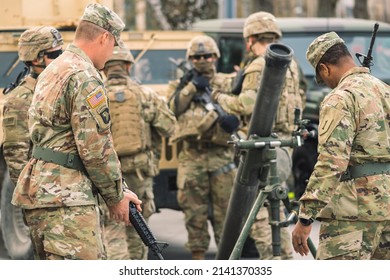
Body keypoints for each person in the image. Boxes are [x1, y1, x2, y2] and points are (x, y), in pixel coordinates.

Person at [11, 3, 142, 260]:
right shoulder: (84, 76)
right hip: (68, 200)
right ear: (104, 37)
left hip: (41, 193)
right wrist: (115, 197)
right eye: (113, 45)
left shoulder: (54, 69)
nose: (113, 53)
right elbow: (95, 149)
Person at [212, 11, 305, 260]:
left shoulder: (258, 64)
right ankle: (282, 258)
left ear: (249, 39)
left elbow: (247, 103)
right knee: (276, 205)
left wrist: (219, 98)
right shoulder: (292, 64)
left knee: (260, 213)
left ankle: (276, 260)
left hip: (263, 147)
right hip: (283, 145)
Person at [292, 31, 390, 260]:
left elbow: (331, 163)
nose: (325, 83)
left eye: (322, 77)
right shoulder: (385, 90)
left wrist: (306, 217)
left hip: (352, 214)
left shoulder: (340, 98)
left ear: (325, 68)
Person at [167, 35, 240, 260]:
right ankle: (198, 260)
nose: (203, 60)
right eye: (197, 57)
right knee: (194, 215)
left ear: (216, 57)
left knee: (226, 216)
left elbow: (243, 105)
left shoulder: (228, 82)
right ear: (190, 59)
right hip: (192, 156)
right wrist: (190, 88)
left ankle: (227, 262)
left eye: (207, 55)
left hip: (223, 157)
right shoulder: (179, 85)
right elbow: (172, 110)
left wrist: (233, 120)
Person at [102, 45, 176, 260]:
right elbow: (169, 127)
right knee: (138, 231)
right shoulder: (145, 95)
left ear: (105, 68)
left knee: (112, 230)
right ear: (128, 65)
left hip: (106, 173)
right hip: (140, 172)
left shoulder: (94, 95)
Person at [2, 26, 63, 186]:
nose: (61, 59)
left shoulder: (61, 87)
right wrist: (31, 197)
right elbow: (16, 155)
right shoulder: (21, 98)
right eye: (55, 54)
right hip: (45, 192)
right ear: (37, 59)